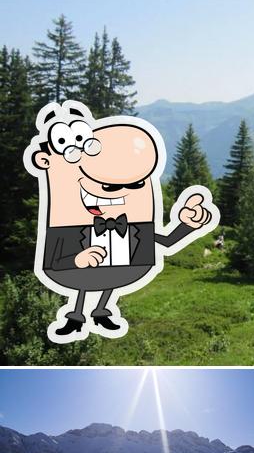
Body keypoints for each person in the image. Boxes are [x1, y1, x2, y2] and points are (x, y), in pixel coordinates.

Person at [24, 100, 219, 341]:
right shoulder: (65, 227)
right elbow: (53, 261)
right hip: (78, 273)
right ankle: (76, 317)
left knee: (109, 278)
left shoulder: (135, 226)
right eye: (107, 185)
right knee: (86, 280)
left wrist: (188, 225)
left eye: (136, 184)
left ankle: (101, 310)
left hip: (122, 271)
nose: (116, 192)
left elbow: (167, 242)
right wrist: (77, 258)